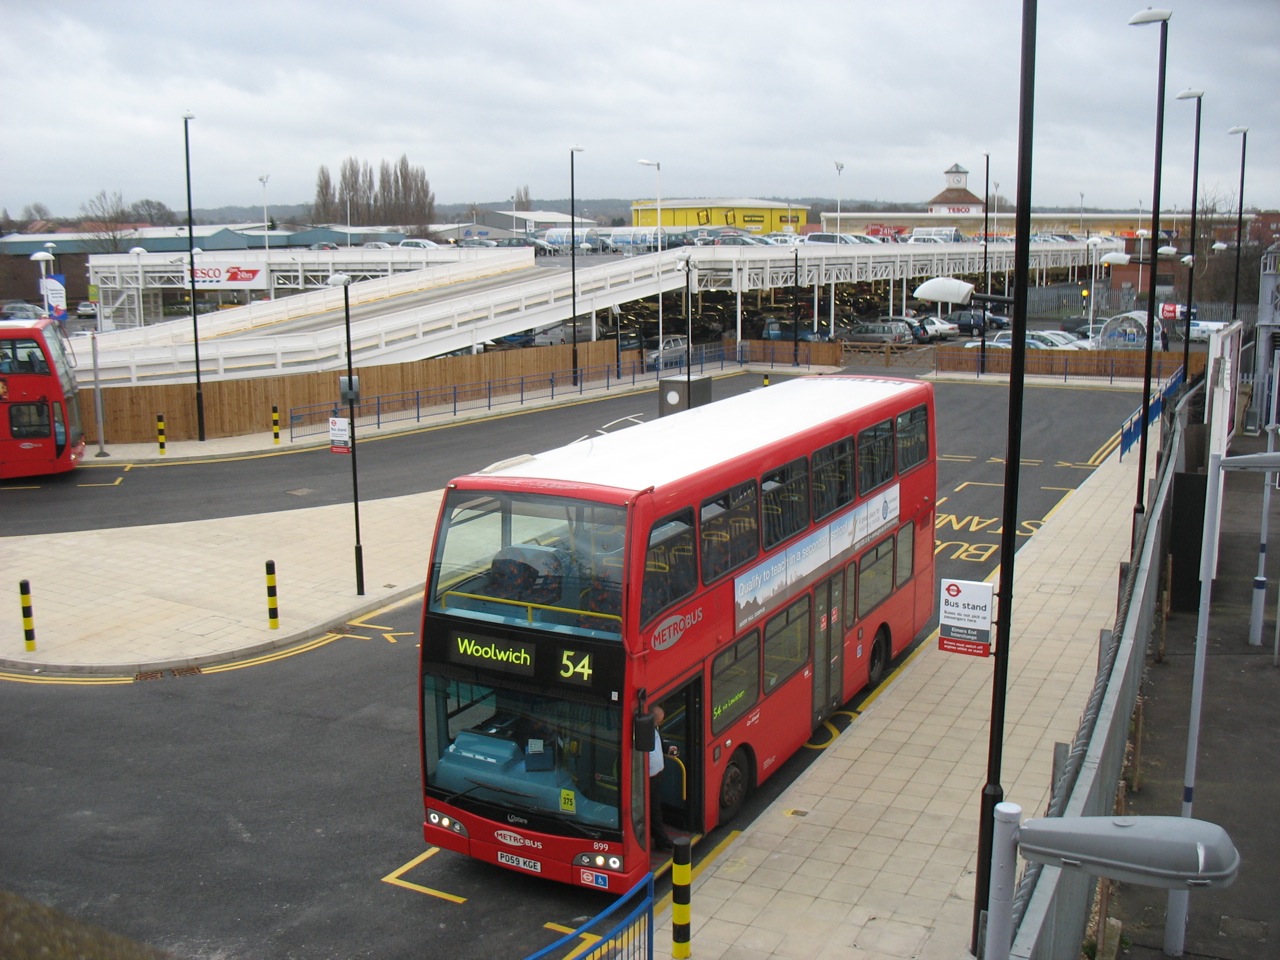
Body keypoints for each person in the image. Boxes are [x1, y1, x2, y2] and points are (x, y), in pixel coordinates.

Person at [648, 706, 677, 852]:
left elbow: (658, 742)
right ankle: (661, 840)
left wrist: (667, 749)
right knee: (653, 809)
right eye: (658, 721)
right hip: (648, 777)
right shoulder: (642, 731)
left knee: (655, 808)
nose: (659, 724)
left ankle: (660, 839)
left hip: (656, 774)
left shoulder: (652, 728)